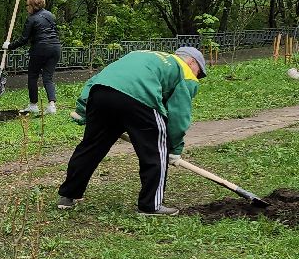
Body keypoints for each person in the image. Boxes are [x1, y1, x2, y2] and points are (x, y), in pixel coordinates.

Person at [55, 47, 207, 215]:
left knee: (91, 147)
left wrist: (82, 109)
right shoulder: (184, 70)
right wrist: (174, 149)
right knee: (155, 151)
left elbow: (96, 79)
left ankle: (68, 195)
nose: (196, 77)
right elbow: (179, 115)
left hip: (102, 93)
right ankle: (151, 205)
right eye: (198, 72)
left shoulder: (139, 54)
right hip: (140, 97)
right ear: (192, 62)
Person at [5, 0, 63, 115]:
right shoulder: (50, 15)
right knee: (48, 77)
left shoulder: (31, 19)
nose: (27, 8)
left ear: (32, 6)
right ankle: (52, 106)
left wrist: (9, 46)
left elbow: (24, 39)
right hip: (55, 48)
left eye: (27, 5)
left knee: (33, 76)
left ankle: (33, 105)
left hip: (41, 49)